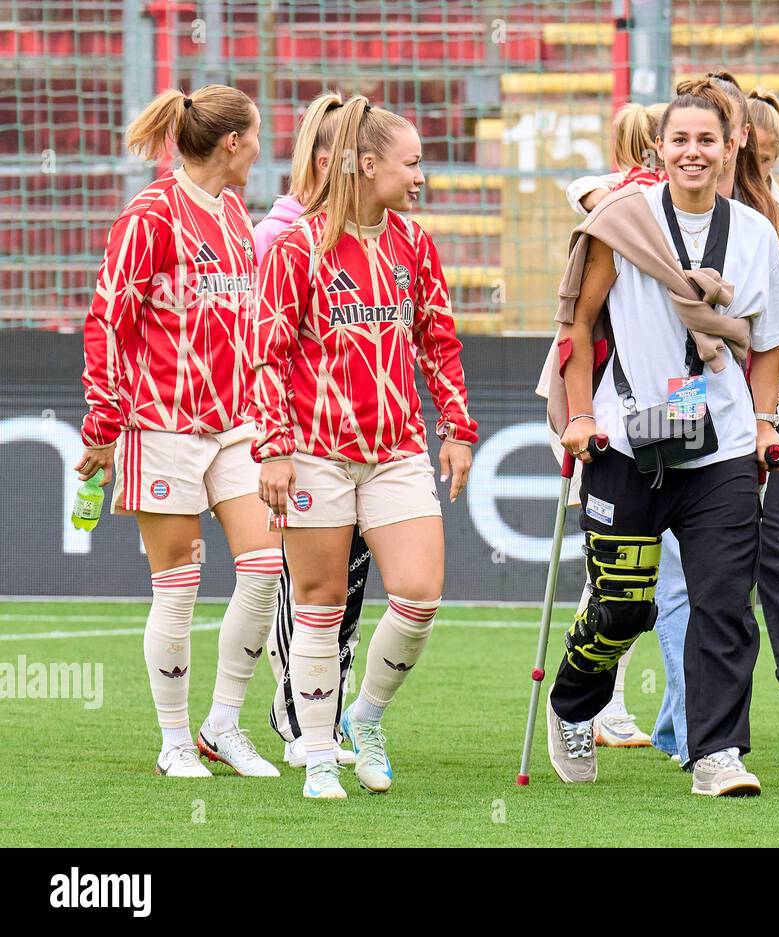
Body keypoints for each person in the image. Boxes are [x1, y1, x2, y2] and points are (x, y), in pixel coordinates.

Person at [541, 79, 779, 796]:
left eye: (706, 140)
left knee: (722, 599)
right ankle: (572, 706)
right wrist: (582, 414)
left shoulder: (753, 234)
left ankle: (718, 753)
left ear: (730, 146)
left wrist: (766, 423)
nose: (693, 152)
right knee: (623, 605)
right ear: (659, 147)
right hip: (627, 442)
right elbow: (579, 326)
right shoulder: (622, 221)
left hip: (720, 446)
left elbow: (770, 343)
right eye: (679, 139)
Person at [251, 95, 477, 799]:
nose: (421, 177)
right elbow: (268, 353)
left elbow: (437, 341)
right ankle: (319, 752)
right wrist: (274, 446)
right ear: (368, 163)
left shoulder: (415, 244)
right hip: (314, 453)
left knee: (419, 594)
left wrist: (458, 428)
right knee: (319, 604)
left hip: (396, 450)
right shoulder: (296, 246)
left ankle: (367, 717)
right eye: (412, 163)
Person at [645, 73, 779, 761]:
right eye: (692, 137)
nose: (712, 151)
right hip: (685, 412)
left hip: (774, 415)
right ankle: (685, 722)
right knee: (691, 581)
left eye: (731, 140)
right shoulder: (661, 214)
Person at [76, 84, 283, 778]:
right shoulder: (151, 216)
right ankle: (172, 739)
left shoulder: (231, 212)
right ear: (232, 142)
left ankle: (221, 721)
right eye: (254, 135)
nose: (260, 147)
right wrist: (104, 420)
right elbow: (109, 317)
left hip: (234, 425)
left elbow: (247, 322)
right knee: (180, 583)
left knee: (264, 565)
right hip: (161, 424)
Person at [251, 90, 366, 769]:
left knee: (346, 581)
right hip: (290, 437)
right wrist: (274, 440)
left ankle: (320, 705)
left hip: (355, 441)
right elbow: (265, 344)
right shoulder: (281, 236)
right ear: (329, 159)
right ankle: (298, 716)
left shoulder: (367, 235)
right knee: (306, 583)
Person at [555, 101, 670, 749]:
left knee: (622, 574)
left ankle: (605, 705)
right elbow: (589, 192)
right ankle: (601, 703)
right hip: (602, 409)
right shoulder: (622, 204)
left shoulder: (611, 195)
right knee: (615, 575)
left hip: (613, 407)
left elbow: (583, 187)